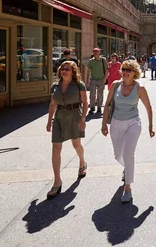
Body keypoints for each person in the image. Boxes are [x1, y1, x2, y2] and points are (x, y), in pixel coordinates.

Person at [101, 60, 155, 204]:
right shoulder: (115, 85)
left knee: (128, 154)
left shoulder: (140, 88)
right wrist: (103, 124)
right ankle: (127, 168)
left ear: (135, 73)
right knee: (118, 155)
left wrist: (150, 126)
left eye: (129, 70)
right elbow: (107, 104)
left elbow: (149, 108)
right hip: (116, 123)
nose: (125, 72)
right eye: (124, 69)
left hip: (133, 123)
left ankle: (128, 188)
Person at [46, 61, 88, 200]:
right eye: (62, 69)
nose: (64, 71)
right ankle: (57, 181)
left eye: (67, 69)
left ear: (73, 71)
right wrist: (49, 121)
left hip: (74, 117)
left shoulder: (79, 85)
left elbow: (85, 102)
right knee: (55, 148)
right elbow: (52, 104)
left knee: (76, 145)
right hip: (59, 117)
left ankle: (82, 162)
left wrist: (83, 119)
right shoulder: (55, 86)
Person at [86, 48, 108, 115]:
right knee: (92, 94)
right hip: (93, 79)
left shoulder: (103, 60)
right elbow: (89, 71)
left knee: (100, 94)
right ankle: (92, 107)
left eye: (96, 52)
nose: (95, 54)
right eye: (94, 52)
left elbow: (107, 70)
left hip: (101, 79)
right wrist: (87, 80)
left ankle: (99, 107)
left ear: (99, 53)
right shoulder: (91, 61)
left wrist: (104, 79)